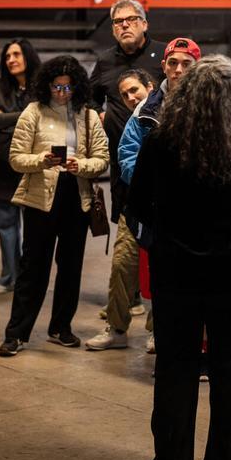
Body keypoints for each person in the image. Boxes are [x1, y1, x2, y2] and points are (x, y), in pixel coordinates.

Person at [129, 56, 231, 460]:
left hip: (176, 274)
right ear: (228, 97)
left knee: (175, 370)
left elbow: (135, 204)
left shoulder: (160, 140)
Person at [87, 39, 199, 353]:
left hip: (186, 212)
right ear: (163, 66)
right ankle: (116, 327)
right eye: (173, 63)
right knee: (124, 264)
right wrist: (152, 188)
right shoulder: (145, 109)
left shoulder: (205, 104)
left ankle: (158, 330)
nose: (178, 70)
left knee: (167, 273)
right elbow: (127, 154)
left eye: (186, 64)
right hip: (143, 206)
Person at [0, 55, 109, 357]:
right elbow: (16, 158)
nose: (62, 93)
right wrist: (41, 160)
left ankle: (61, 328)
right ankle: (17, 333)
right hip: (40, 197)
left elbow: (102, 159)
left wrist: (81, 165)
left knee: (71, 267)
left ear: (78, 87)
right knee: (33, 267)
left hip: (76, 195)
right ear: (47, 85)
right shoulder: (33, 112)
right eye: (57, 87)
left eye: (68, 87)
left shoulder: (87, 116)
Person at [89, 0, 165, 222]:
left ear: (144, 24)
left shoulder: (163, 56)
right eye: (118, 21)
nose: (124, 25)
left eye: (131, 19)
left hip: (157, 151)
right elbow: (88, 98)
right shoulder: (105, 61)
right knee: (125, 218)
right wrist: (100, 114)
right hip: (121, 156)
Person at [0, 38, 42, 294]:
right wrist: (23, 116)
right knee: (6, 222)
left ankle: (29, 276)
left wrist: (6, 118)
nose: (11, 60)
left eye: (16, 54)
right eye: (7, 56)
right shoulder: (0, 86)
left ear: (28, 56)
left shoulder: (42, 86)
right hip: (2, 164)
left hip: (32, 163)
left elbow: (45, 119)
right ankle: (8, 276)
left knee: (34, 225)